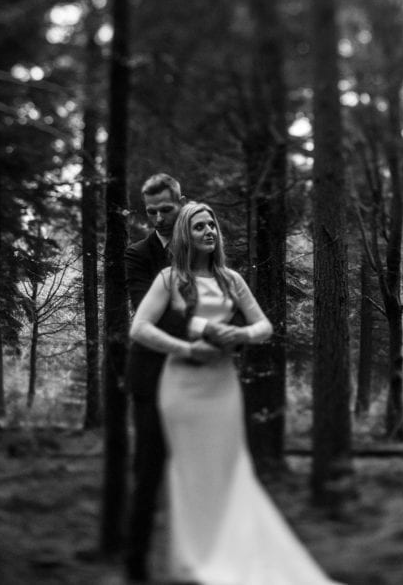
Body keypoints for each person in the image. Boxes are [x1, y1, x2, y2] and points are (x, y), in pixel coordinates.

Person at [130, 202, 341, 585]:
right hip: (180, 385)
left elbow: (264, 327)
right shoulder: (168, 279)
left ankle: (231, 550)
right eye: (199, 227)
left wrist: (240, 334)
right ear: (184, 235)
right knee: (188, 471)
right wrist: (187, 349)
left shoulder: (231, 280)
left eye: (212, 225)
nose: (209, 231)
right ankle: (194, 557)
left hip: (222, 385)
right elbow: (140, 328)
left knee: (228, 469)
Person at [123, 173, 218, 582]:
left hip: (199, 381)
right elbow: (152, 313)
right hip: (153, 379)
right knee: (148, 472)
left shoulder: (206, 250)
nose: (159, 218)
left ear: (183, 203)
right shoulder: (137, 255)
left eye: (166, 209)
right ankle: (136, 566)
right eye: (151, 211)